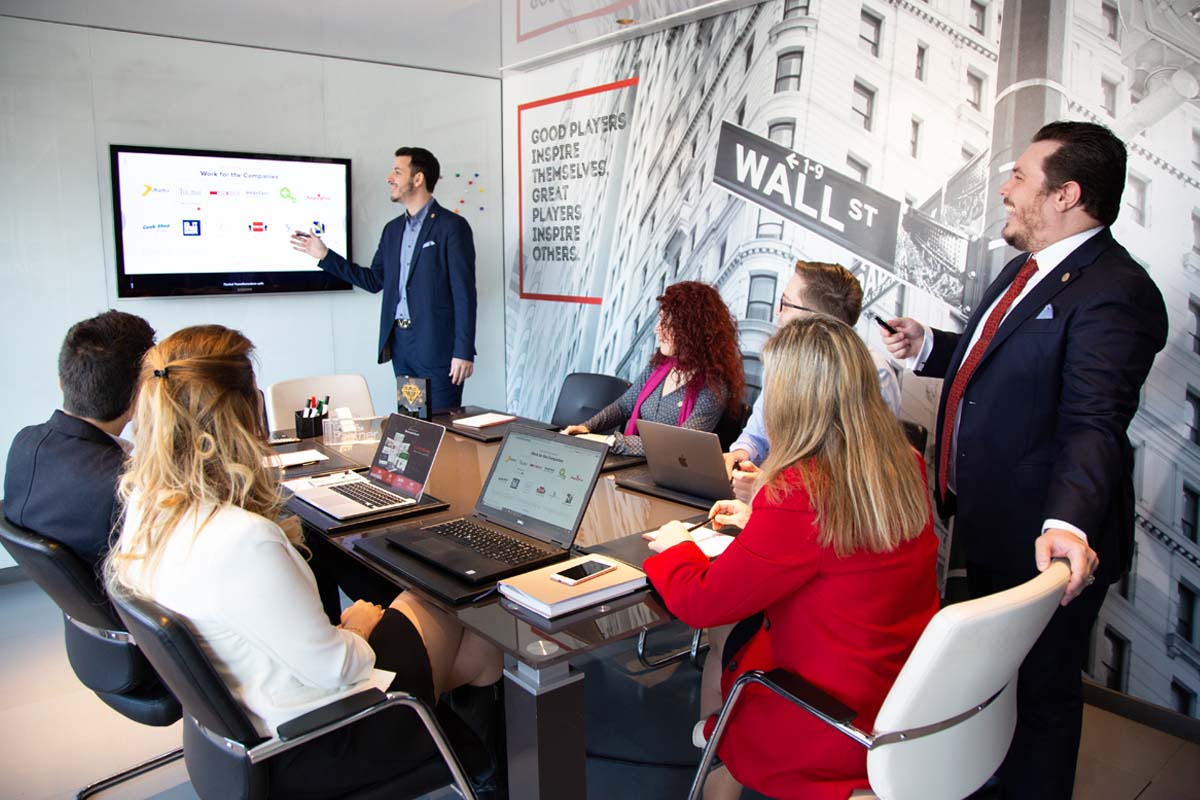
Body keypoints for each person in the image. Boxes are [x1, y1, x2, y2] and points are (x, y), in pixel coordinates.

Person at [881, 121, 1168, 799]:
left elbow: (1095, 419)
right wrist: (930, 346)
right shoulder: (1024, 269)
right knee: (997, 689)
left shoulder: (1116, 289)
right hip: (991, 522)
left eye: (1018, 176)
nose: (1005, 190)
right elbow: (999, 361)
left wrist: (1067, 524)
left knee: (1040, 695)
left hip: (1044, 538)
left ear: (1066, 194)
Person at [106, 325, 501, 797]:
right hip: (317, 737)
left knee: (477, 651)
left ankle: (480, 764)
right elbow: (338, 667)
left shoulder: (145, 508)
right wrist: (357, 626)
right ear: (243, 414)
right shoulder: (243, 540)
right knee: (449, 604)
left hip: (246, 724)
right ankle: (483, 763)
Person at [643, 316, 939, 800]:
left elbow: (701, 602)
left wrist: (679, 546)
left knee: (725, 648)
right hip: (902, 696)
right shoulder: (902, 462)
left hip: (828, 719)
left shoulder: (802, 490)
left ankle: (720, 754)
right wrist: (760, 516)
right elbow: (846, 539)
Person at [291, 146, 477, 412]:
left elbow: (464, 294)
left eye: (397, 172)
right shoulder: (392, 230)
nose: (390, 178)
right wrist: (325, 256)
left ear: (418, 178)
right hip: (401, 346)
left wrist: (463, 351)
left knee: (441, 425)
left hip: (438, 348)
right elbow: (373, 280)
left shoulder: (452, 227)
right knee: (412, 423)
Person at [725, 260, 901, 502]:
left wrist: (768, 488)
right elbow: (757, 435)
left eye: (785, 303)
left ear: (813, 318)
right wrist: (741, 453)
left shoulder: (872, 373)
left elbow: (863, 480)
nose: (777, 313)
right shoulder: (780, 361)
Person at [4, 310, 155, 578]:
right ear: (142, 396)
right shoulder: (128, 485)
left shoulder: (25, 442)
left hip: (72, 594)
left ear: (61, 383)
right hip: (125, 594)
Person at [563, 281, 743, 456]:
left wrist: (611, 442)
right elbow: (623, 406)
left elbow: (680, 445)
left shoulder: (714, 388)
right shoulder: (658, 367)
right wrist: (586, 427)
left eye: (666, 323)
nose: (657, 329)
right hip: (632, 462)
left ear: (692, 330)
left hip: (668, 472)